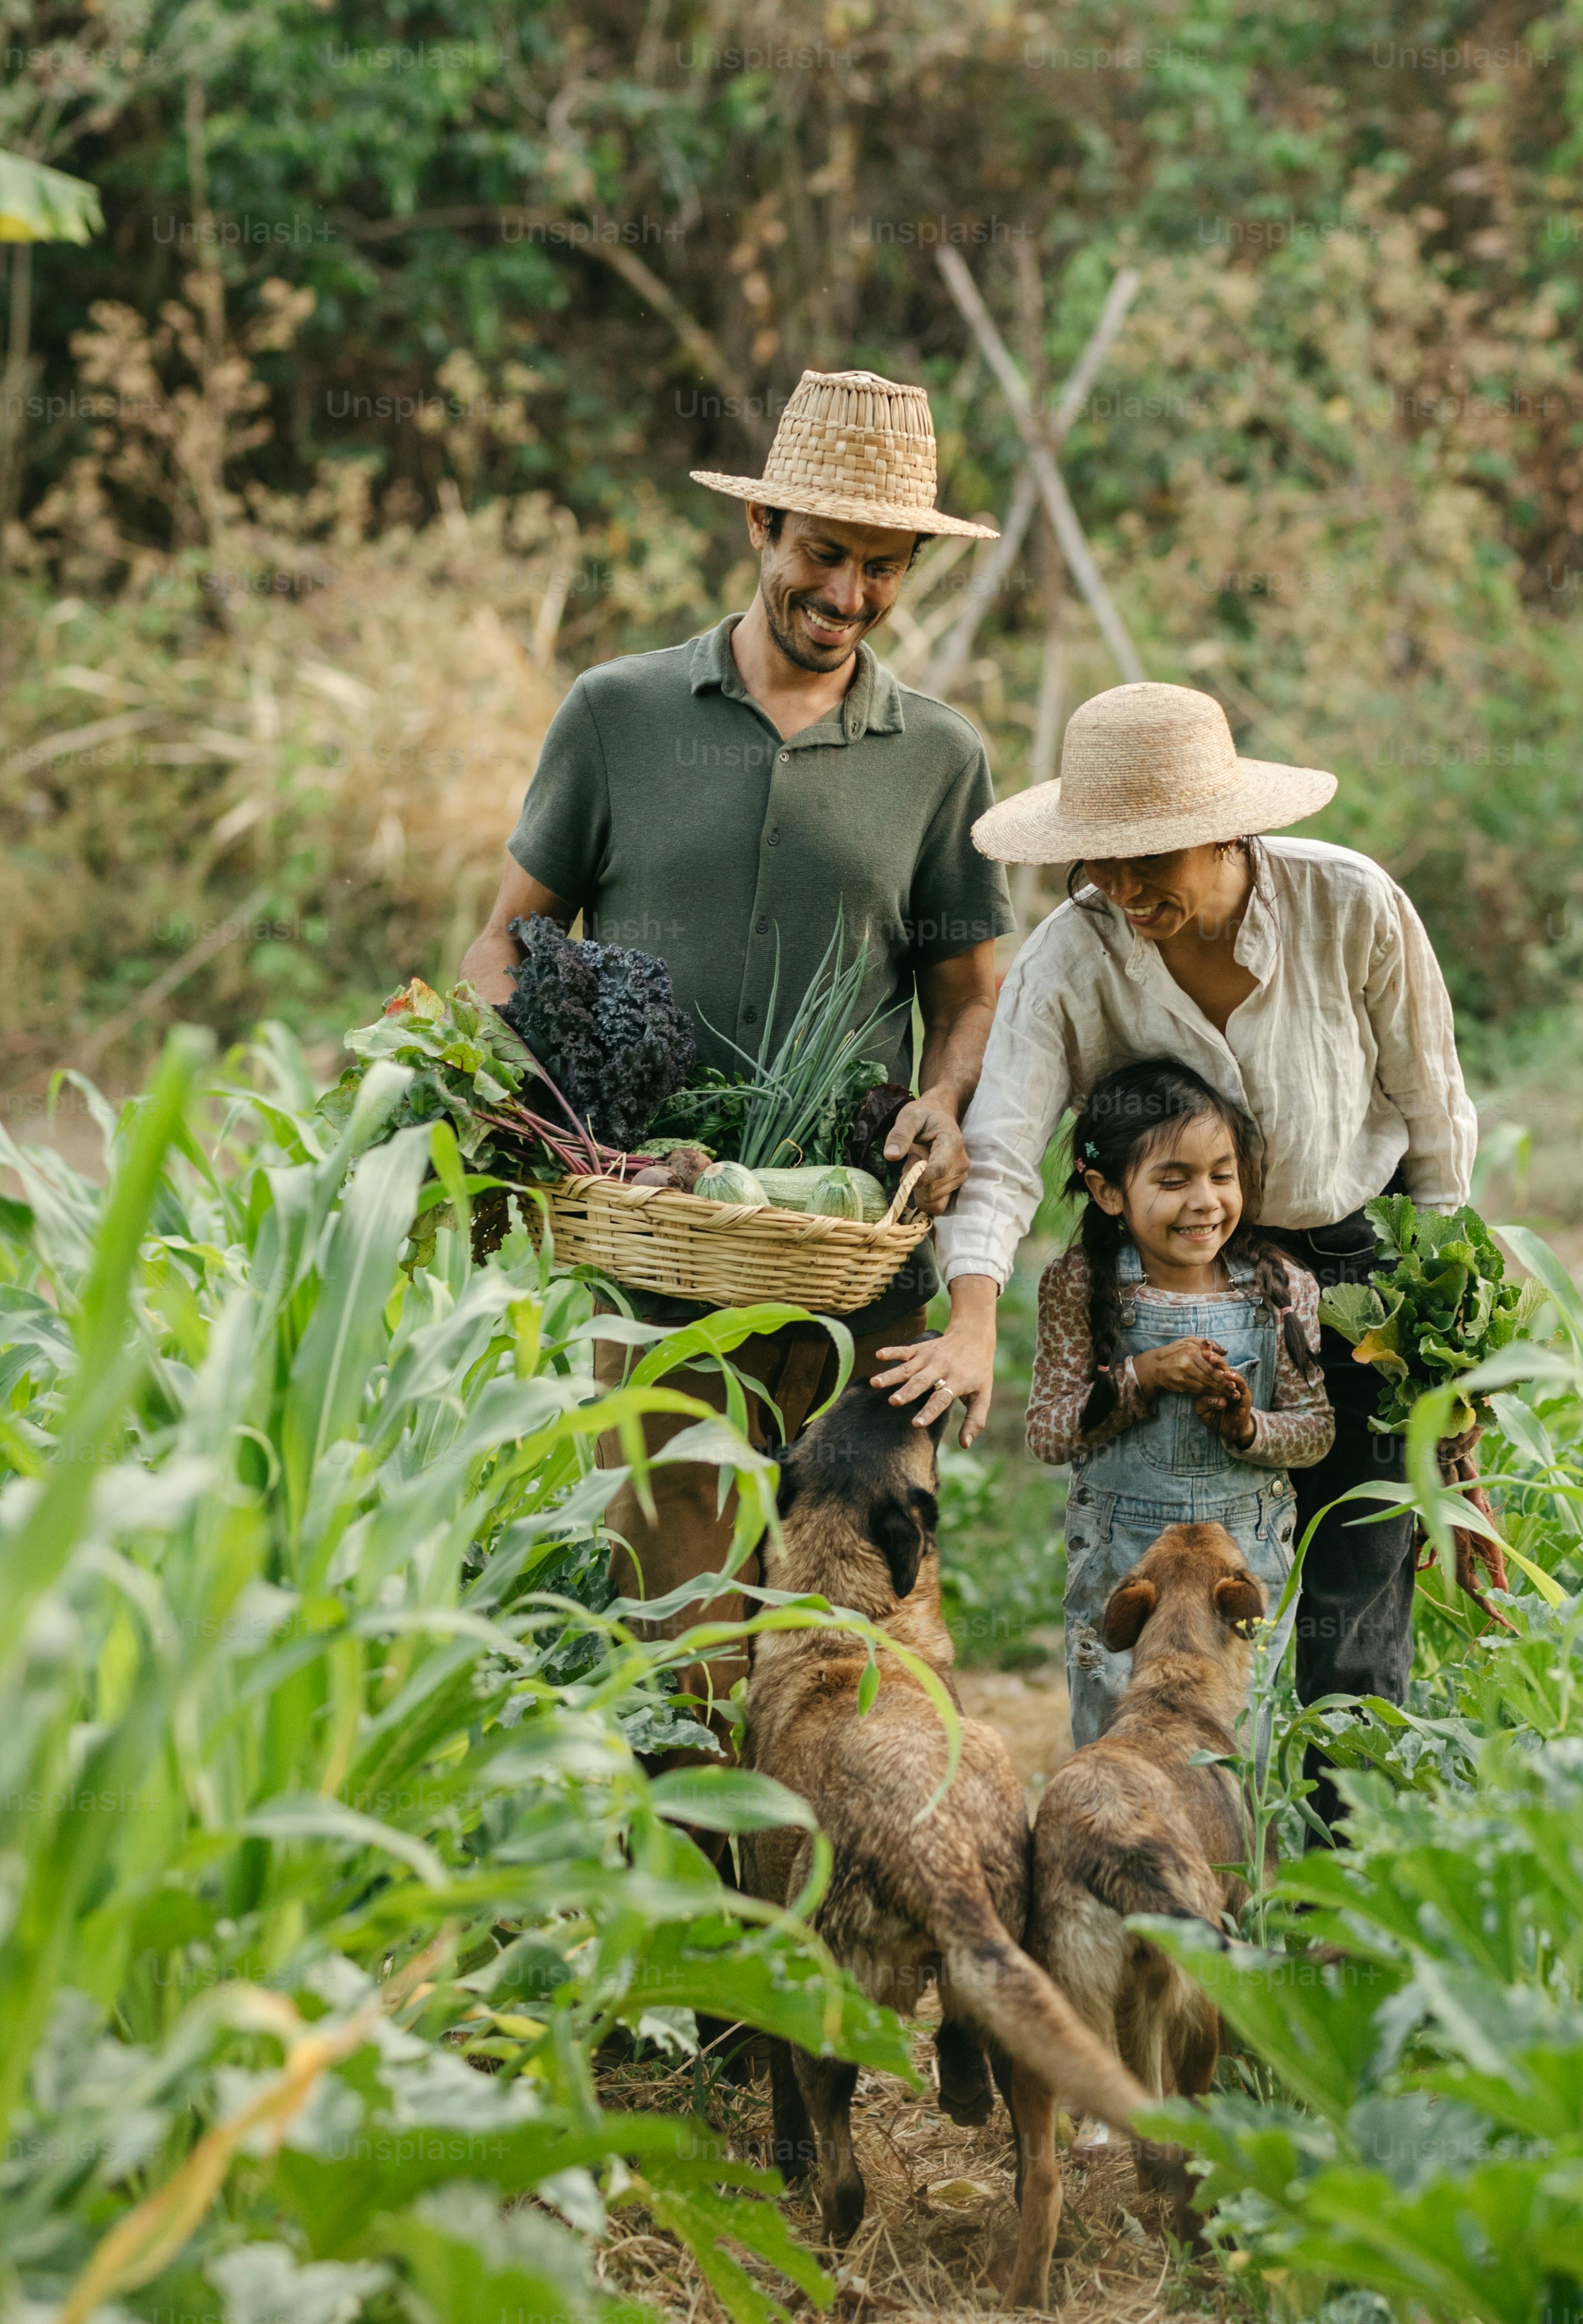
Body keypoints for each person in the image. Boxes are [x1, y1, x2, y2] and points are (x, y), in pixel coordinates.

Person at [460, 367, 1009, 1740]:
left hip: (857, 1264)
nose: (850, 592)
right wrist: (524, 1106)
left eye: (883, 568)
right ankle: (690, 1918)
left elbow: (968, 992)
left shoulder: (936, 757)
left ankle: (845, 1932)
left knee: (859, 1629)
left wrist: (944, 1099)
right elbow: (503, 945)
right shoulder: (618, 714)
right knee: (680, 1623)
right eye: (823, 554)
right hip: (660, 1250)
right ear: (758, 525)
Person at [872, 679, 1489, 1817]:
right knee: (1168, 1630)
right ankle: (1169, 1879)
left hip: (1356, 1284)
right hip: (1173, 1285)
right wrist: (970, 1320)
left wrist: (1449, 1355)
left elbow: (1438, 1126)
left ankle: (1336, 1907)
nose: (1121, 887)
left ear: (1230, 830)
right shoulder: (1074, 955)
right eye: (1097, 861)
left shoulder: (1350, 905)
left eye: (1147, 856)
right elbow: (1002, 1151)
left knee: (1356, 1609)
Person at [1023, 1059, 1328, 1748]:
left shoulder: (1281, 1288)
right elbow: (1045, 1433)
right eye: (1172, 1179)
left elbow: (1316, 1432)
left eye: (1222, 1175)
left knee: (1242, 1735)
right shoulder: (1080, 1284)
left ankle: (1238, 1859)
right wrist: (1142, 1376)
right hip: (1122, 1558)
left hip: (1245, 1557)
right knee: (1121, 1736)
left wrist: (1248, 1425)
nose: (1205, 1200)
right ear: (1107, 1191)